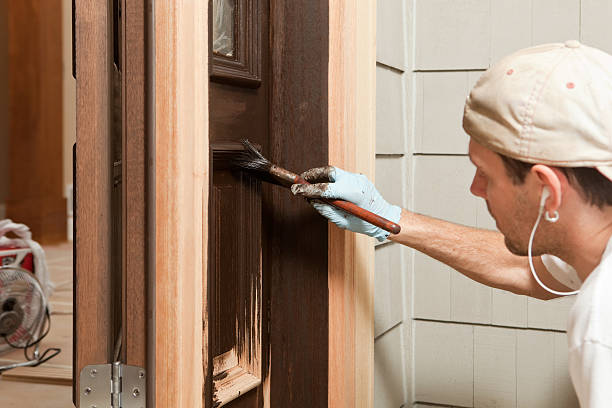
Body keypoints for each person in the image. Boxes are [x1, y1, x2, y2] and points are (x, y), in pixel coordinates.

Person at [291, 41, 612, 407]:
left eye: (485, 173)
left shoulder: (602, 322)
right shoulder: (591, 243)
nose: (475, 189)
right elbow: (529, 269)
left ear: (547, 190)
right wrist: (390, 218)